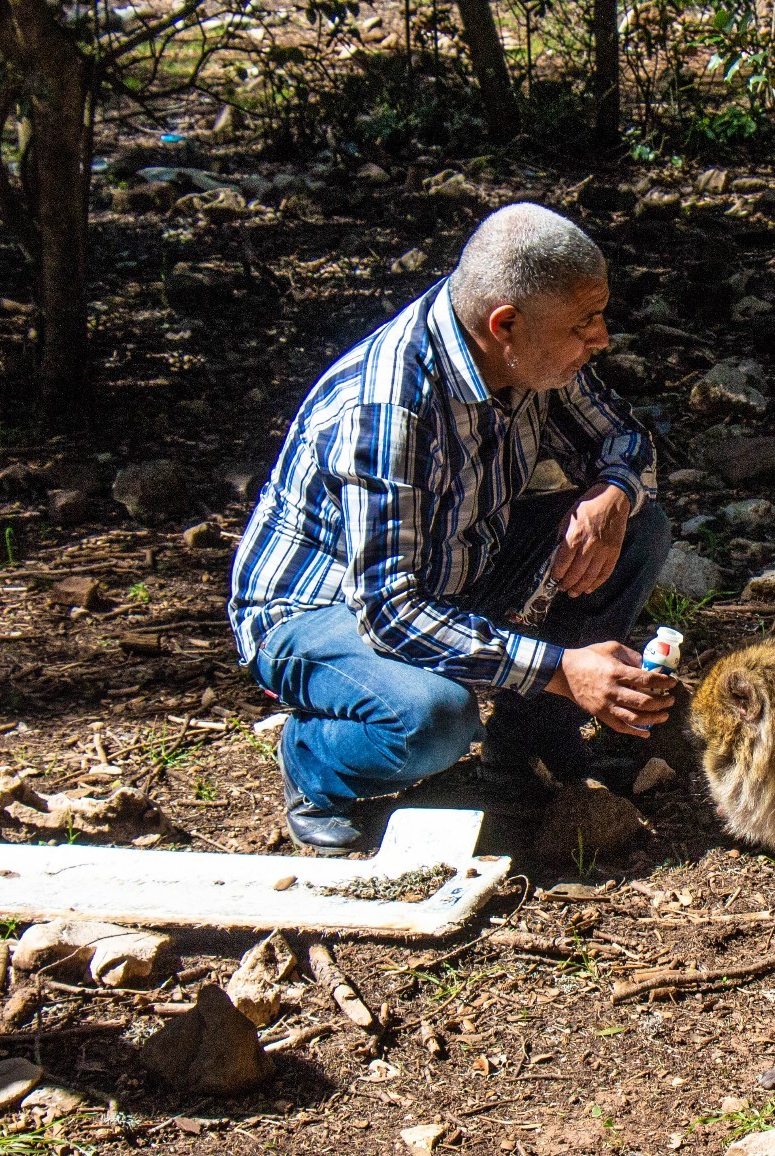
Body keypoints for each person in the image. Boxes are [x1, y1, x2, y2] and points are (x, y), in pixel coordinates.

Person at [228, 203, 675, 853]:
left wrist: (612, 494)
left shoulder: (529, 357)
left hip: (457, 561)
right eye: (584, 324)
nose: (600, 339)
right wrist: (559, 665)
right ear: (506, 324)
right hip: (322, 608)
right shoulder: (387, 408)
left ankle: (531, 746)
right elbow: (388, 610)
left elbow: (623, 437)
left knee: (637, 526)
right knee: (433, 718)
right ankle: (314, 762)